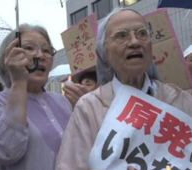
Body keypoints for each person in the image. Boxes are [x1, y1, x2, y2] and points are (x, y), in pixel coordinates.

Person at [55, 8, 192, 170]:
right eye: (122, 35)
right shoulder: (90, 108)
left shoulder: (179, 99)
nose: (135, 42)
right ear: (104, 51)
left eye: (142, 33)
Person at [0, 23, 72, 170]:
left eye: (46, 50)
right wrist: (19, 82)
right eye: (28, 48)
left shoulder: (63, 101)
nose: (40, 55)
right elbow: (5, 151)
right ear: (7, 58)